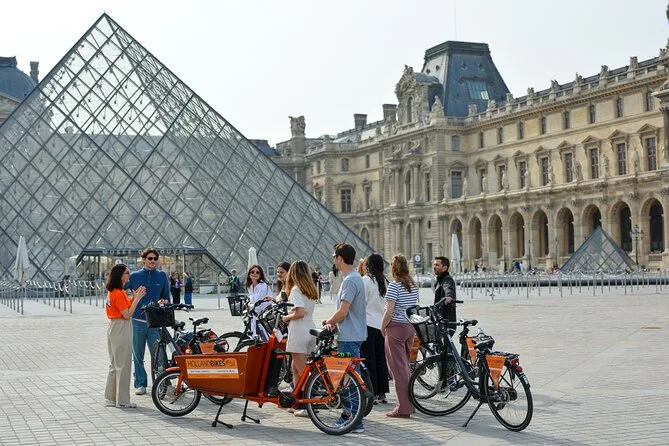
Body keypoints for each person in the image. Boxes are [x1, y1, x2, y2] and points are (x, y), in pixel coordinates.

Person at [324, 243, 366, 434]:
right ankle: (351, 416)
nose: (333, 260)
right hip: (354, 333)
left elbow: (343, 311)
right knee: (350, 377)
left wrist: (329, 321)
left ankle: (354, 421)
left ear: (340, 258)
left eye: (334, 257)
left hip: (349, 335)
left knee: (348, 379)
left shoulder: (349, 280)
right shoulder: (356, 278)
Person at [127, 247, 171, 396]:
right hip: (137, 320)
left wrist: (165, 302)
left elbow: (166, 297)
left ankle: (163, 382)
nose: (153, 261)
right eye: (150, 258)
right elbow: (119, 289)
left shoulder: (162, 276)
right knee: (137, 355)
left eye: (155, 259)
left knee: (159, 355)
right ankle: (140, 383)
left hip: (155, 322)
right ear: (143, 260)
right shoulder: (134, 276)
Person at [381, 254, 419, 418]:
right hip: (409, 327)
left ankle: (403, 408)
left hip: (395, 328)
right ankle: (410, 404)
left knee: (398, 370)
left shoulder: (394, 286)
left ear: (393, 267)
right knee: (405, 367)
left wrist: (383, 327)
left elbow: (389, 312)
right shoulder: (412, 285)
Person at [104, 264, 145, 409]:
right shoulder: (119, 293)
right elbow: (127, 314)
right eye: (127, 273)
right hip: (121, 327)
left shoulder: (114, 291)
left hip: (114, 327)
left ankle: (110, 398)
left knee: (114, 364)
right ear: (120, 275)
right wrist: (137, 299)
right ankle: (123, 400)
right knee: (123, 364)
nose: (129, 275)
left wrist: (133, 298)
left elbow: (124, 308)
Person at [281, 261, 318, 417]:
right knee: (295, 369)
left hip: (298, 330)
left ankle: (309, 405)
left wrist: (286, 317)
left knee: (302, 371)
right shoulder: (310, 289)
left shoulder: (296, 290)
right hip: (310, 329)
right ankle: (298, 402)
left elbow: (300, 313)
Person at [360, 253, 390, 405]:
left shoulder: (366, 280)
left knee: (369, 359)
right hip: (381, 325)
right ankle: (382, 392)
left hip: (368, 324)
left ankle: (372, 392)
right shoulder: (384, 280)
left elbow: (361, 303)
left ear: (369, 265)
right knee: (380, 359)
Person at [246, 264, 274, 337]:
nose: (255, 273)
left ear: (260, 275)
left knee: (264, 337)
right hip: (256, 316)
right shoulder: (250, 287)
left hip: (264, 317)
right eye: (252, 272)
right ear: (249, 274)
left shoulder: (262, 286)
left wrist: (250, 306)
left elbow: (258, 304)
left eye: (257, 272)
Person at [433, 256, 457, 328]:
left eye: (437, 265)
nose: (434, 267)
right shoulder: (439, 280)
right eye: (434, 265)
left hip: (447, 322)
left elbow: (448, 288)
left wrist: (449, 296)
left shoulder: (447, 279)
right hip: (440, 319)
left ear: (444, 267)